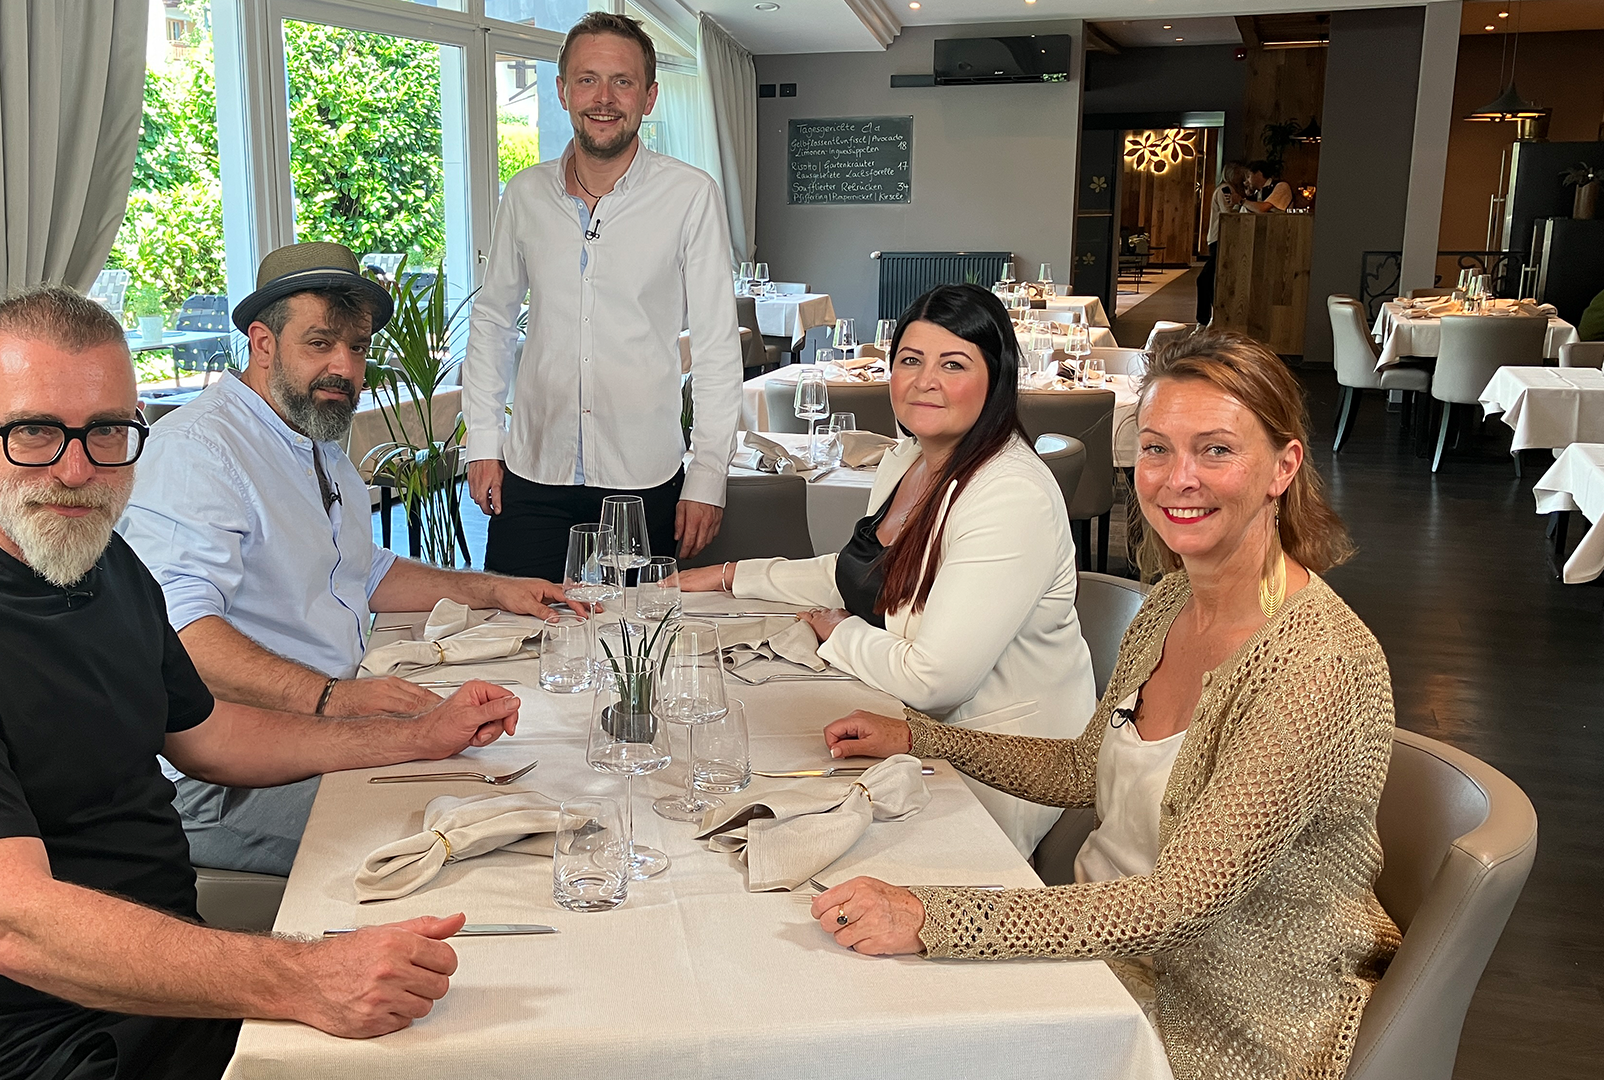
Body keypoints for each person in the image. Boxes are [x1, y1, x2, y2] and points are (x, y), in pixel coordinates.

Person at [0, 287, 524, 1080]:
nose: (77, 470)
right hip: (50, 1049)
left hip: (177, 998)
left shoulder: (107, 565)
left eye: (107, 432)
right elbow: (15, 929)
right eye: (34, 432)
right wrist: (303, 977)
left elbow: (211, 739)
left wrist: (412, 739)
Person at [808, 328, 1401, 1080]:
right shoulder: (1173, 603)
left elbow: (1177, 903)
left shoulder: (1315, 666)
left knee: (891, 1043)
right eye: (1156, 449)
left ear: (1283, 467)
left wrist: (935, 914)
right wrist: (923, 738)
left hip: (1222, 1013)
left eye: (1216, 450)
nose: (1178, 478)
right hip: (1105, 955)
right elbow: (1086, 771)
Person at [120, 241, 577, 876]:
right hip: (220, 779)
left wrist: (494, 591)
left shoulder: (313, 437)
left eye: (357, 348)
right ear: (262, 344)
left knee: (535, 776)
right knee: (472, 836)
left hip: (318, 728)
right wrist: (335, 698)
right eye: (320, 343)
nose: (345, 367)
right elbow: (179, 637)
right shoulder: (198, 451)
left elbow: (359, 569)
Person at [679, 284, 1094, 854]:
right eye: (910, 360)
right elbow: (859, 572)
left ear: (996, 379)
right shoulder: (910, 459)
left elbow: (935, 682)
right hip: (906, 725)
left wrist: (838, 631)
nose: (925, 381)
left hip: (996, 762)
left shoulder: (1009, 495)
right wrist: (727, 576)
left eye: (954, 364)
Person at [464, 11, 741, 579]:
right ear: (563, 91)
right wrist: (483, 441)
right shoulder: (525, 194)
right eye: (587, 79)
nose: (604, 98)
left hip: (643, 476)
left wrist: (709, 473)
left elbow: (716, 344)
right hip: (534, 469)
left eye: (623, 81)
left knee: (635, 630)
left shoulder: (690, 196)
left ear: (649, 96)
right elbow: (492, 321)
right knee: (513, 622)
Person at [1196, 160, 1250, 325]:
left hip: (1217, 237)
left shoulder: (1227, 189)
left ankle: (1212, 316)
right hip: (1220, 237)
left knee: (1211, 278)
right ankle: (1207, 317)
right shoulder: (1225, 190)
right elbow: (1228, 212)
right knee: (1207, 278)